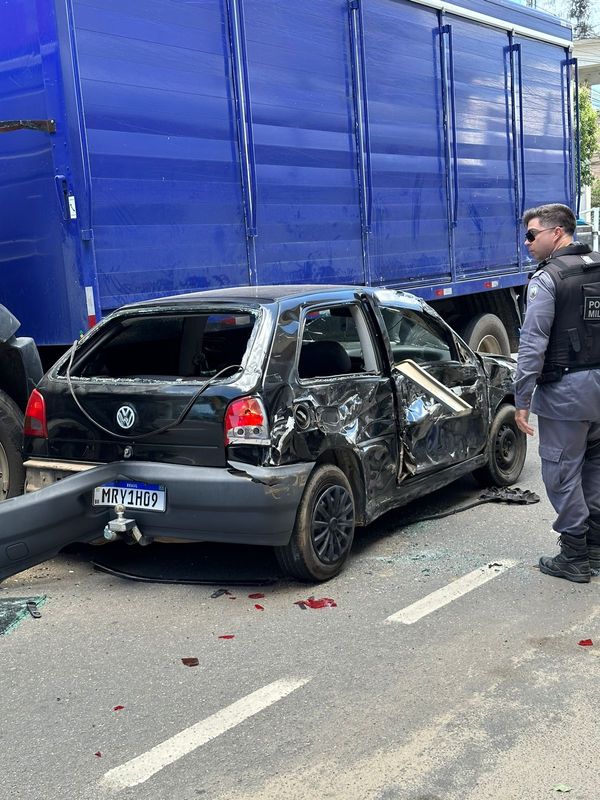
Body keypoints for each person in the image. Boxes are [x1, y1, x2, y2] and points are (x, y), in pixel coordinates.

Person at [515, 203, 600, 584]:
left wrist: (522, 399)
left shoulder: (547, 280)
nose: (527, 242)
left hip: (566, 394)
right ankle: (596, 548)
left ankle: (574, 556)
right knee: (595, 469)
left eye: (532, 235)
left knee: (562, 472)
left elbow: (532, 344)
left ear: (557, 232)